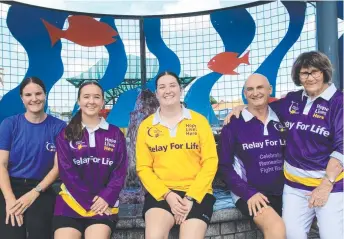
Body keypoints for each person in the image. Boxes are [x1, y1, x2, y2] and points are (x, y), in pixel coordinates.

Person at [224, 51, 343, 239]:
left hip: (327, 186)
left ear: (325, 72)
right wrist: (241, 107)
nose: (310, 77)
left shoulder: (339, 103)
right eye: (304, 73)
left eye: (315, 72)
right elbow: (262, 103)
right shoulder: (294, 100)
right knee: (291, 234)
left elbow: (341, 148)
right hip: (294, 188)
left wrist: (326, 185)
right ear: (298, 76)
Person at [136, 71, 218, 239]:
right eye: (162, 87)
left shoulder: (199, 121)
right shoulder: (146, 126)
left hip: (197, 193)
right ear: (157, 93)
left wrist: (191, 197)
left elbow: (210, 162)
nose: (168, 90)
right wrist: (168, 195)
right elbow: (143, 168)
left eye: (172, 85)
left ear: (180, 89)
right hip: (162, 194)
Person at [52, 81, 128, 239]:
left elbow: (119, 172)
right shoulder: (66, 134)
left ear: (102, 101)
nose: (91, 101)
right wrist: (90, 202)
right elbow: (67, 174)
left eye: (96, 97)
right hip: (71, 204)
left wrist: (106, 197)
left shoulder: (115, 134)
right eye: (86, 97)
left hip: (104, 204)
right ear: (79, 101)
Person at [219, 74, 286, 239]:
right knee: (276, 228)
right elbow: (224, 166)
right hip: (249, 192)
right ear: (245, 93)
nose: (255, 93)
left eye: (260, 87)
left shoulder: (282, 116)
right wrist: (248, 193)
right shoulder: (233, 123)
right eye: (250, 89)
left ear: (270, 90)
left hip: (285, 192)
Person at [0, 76, 66, 239]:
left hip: (42, 187)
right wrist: (10, 200)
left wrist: (34, 193)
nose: (34, 99)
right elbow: (1, 164)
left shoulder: (59, 127)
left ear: (45, 95)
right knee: (11, 228)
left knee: (39, 229)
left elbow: (58, 167)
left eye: (38, 94)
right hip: (11, 186)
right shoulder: (10, 124)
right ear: (22, 98)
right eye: (28, 95)